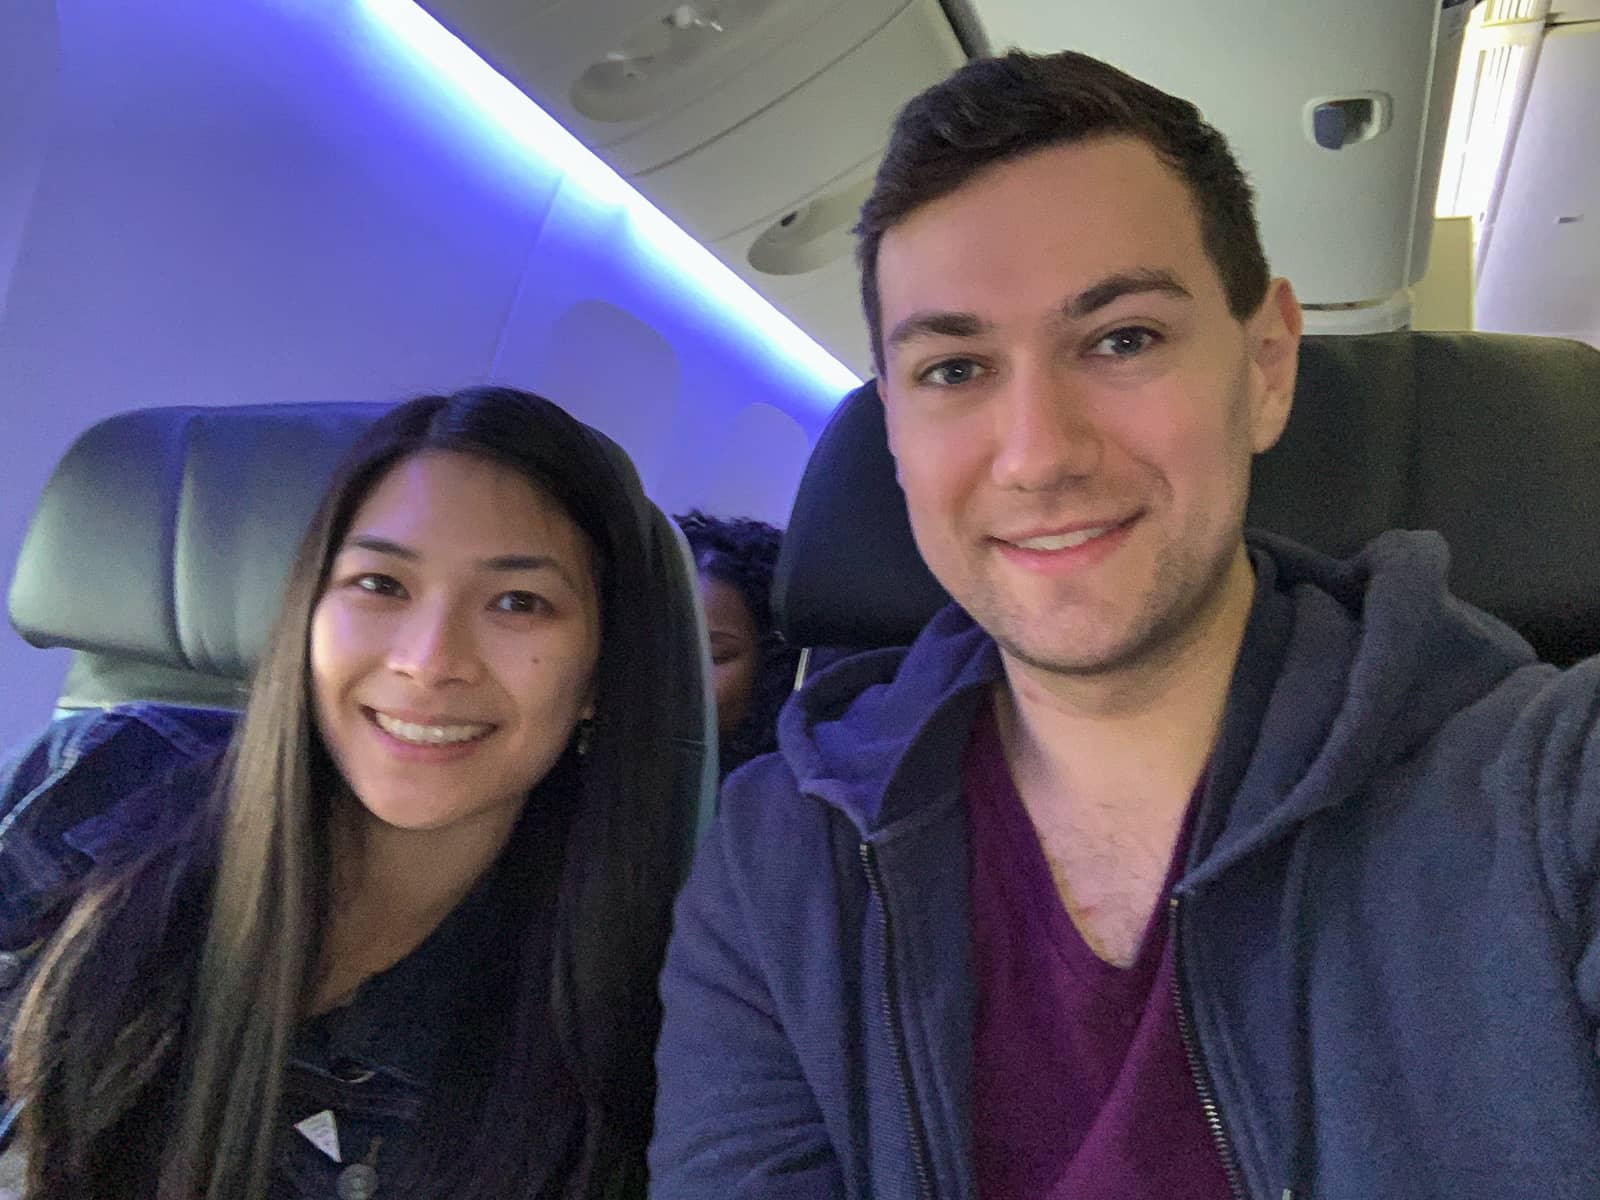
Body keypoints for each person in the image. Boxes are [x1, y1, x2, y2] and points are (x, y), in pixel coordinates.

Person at [649, 49, 1600, 1200]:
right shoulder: (777, 867)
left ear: (1263, 367)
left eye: (1121, 339)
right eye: (955, 368)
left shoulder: (1545, 788)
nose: (1039, 452)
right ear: (893, 430)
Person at [0, 387, 690, 1199]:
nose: (430, 661)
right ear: (307, 611)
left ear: (598, 677)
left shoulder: (630, 1017)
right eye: (380, 584)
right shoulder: (96, 777)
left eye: (518, 602)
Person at [674, 512, 801, 778]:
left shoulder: (786, 798)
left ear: (773, 663)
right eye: (651, 652)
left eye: (713, 656)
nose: (673, 680)